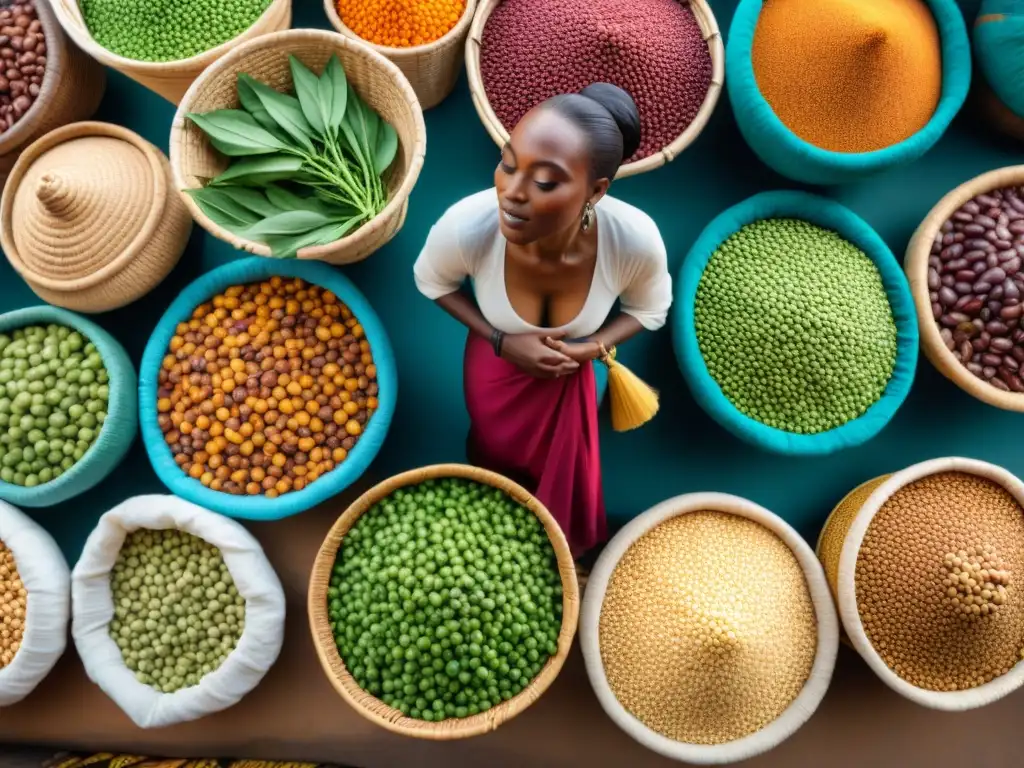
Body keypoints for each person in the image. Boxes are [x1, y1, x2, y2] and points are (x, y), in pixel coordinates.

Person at [413, 83, 673, 559]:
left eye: (546, 182)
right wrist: (498, 339)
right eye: (507, 164)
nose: (511, 194)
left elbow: (648, 310)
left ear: (595, 191)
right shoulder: (468, 225)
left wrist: (589, 348)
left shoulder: (633, 241)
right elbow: (433, 283)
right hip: (494, 371)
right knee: (490, 446)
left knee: (558, 472)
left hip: (571, 379)